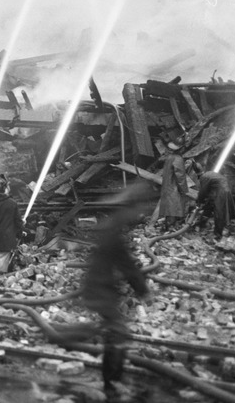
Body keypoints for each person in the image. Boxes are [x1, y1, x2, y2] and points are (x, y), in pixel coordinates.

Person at [82, 183, 150, 396]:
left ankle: (111, 380)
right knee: (118, 332)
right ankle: (111, 383)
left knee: (115, 331)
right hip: (99, 287)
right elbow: (125, 261)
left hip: (100, 285)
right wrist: (142, 290)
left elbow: (121, 261)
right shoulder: (116, 228)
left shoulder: (114, 224)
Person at [197, 170, 235, 240]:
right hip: (223, 190)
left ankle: (217, 235)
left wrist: (199, 202)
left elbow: (203, 192)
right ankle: (201, 224)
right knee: (208, 206)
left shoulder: (204, 177)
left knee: (219, 213)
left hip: (220, 193)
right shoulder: (209, 174)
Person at [159, 142, 188, 230]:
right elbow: (180, 176)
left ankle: (167, 226)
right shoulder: (178, 159)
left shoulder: (169, 158)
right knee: (174, 208)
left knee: (169, 208)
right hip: (173, 186)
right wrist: (184, 189)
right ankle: (171, 228)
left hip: (167, 186)